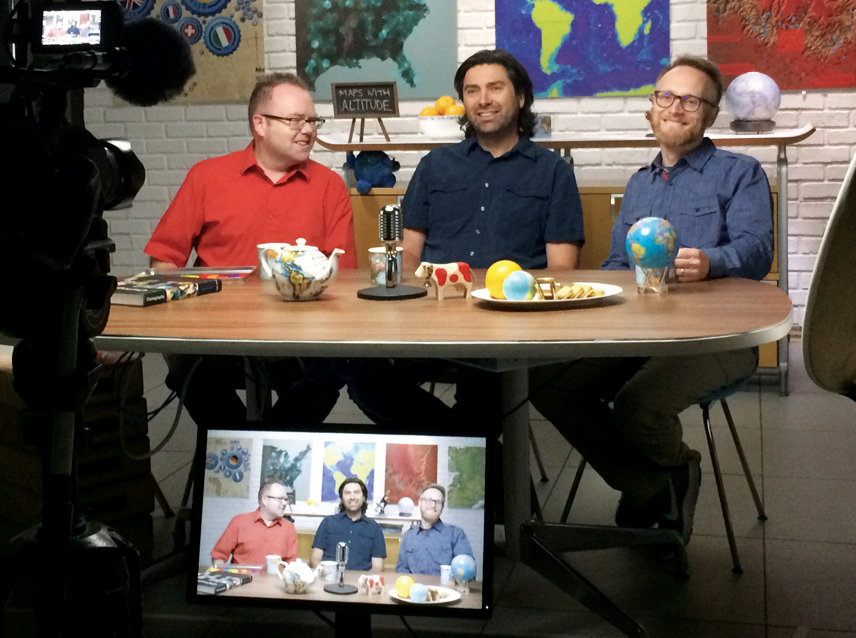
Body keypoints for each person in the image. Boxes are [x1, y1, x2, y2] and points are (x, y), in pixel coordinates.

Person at [529, 55, 774, 546]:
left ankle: (673, 469)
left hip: (715, 339)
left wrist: (712, 261)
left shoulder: (740, 173)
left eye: (691, 100)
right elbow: (621, 263)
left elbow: (758, 250)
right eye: (666, 96)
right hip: (639, 331)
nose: (676, 108)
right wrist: (593, 297)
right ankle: (653, 483)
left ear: (709, 113)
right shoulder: (640, 183)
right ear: (652, 109)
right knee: (548, 383)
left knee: (637, 406)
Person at [345, 49, 584, 425]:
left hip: (506, 322)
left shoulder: (553, 172)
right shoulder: (435, 166)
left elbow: (561, 269)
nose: (483, 99)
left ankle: (469, 456)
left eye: (495, 88)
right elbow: (408, 255)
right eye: (472, 91)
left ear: (520, 98)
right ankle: (468, 450)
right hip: (432, 317)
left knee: (484, 391)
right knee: (363, 376)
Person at [145, 72, 355, 427]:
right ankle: (244, 446)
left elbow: (344, 278)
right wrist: (173, 333)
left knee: (333, 370)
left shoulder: (329, 186)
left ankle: (254, 452)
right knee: (187, 369)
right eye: (295, 120)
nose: (308, 130)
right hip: (218, 335)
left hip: (300, 338)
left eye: (312, 120)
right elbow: (164, 260)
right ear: (260, 124)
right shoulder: (207, 177)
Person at [211, 478, 298, 566]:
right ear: (264, 500)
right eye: (280, 499)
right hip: (241, 578)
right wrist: (221, 574)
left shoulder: (289, 528)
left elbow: (292, 565)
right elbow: (218, 557)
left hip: (275, 579)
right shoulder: (239, 522)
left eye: (286, 499)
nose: (284, 503)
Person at [310, 477, 386, 572]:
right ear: (342, 499)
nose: (352, 497)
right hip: (328, 580)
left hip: (360, 583)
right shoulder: (328, 523)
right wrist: (326, 576)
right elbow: (315, 559)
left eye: (356, 492)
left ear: (364, 498)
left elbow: (378, 567)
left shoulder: (374, 528)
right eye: (347, 493)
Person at [395, 484, 473, 576]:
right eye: (428, 500)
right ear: (420, 503)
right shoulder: (409, 536)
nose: (433, 505)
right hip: (414, 588)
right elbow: (401, 569)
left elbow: (467, 572)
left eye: (438, 502)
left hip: (445, 589)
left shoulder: (456, 534)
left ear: (442, 508)